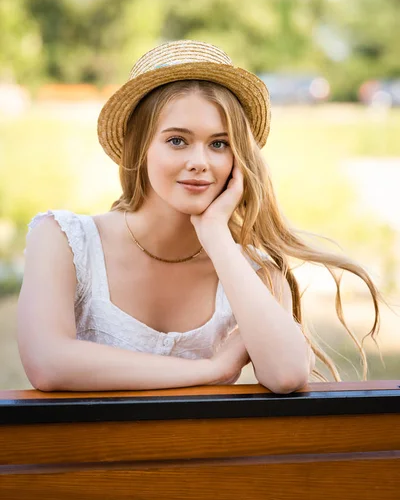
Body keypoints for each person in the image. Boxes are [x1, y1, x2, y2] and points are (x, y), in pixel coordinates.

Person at [17, 40, 381, 393]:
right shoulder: (63, 239)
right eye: (177, 140)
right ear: (140, 147)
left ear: (237, 159)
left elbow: (286, 374)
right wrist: (209, 370)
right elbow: (48, 364)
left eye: (219, 144)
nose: (200, 162)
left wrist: (218, 239)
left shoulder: (255, 274)